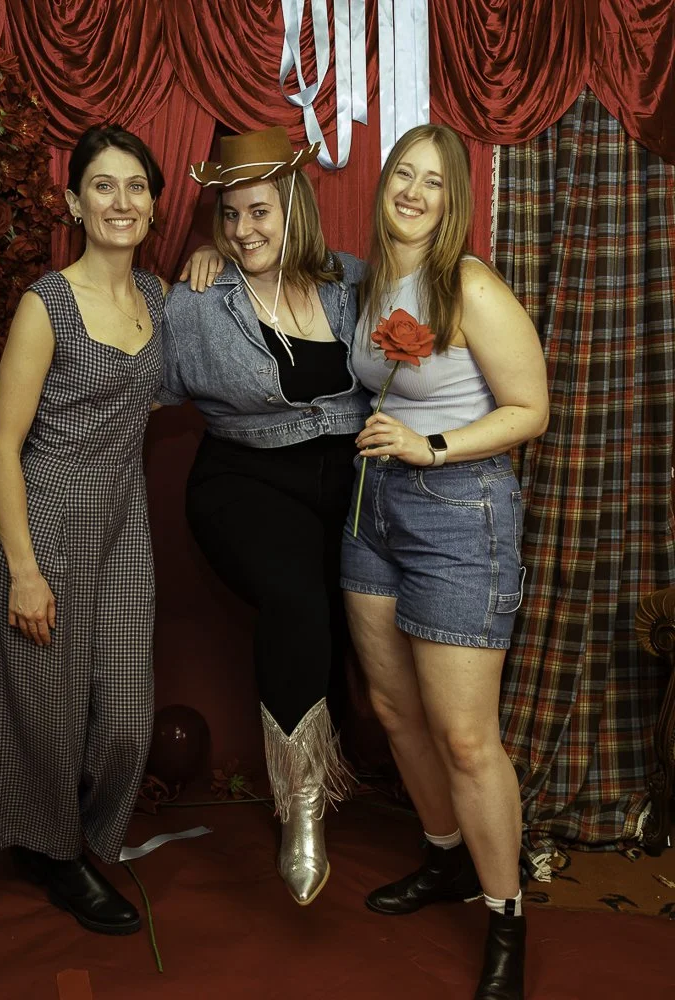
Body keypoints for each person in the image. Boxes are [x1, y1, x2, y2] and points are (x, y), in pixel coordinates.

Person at [341, 124, 548, 999]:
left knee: (466, 736)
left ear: (455, 198)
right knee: (394, 710)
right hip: (372, 507)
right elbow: (271, 254)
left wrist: (431, 444)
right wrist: (204, 249)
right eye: (402, 175)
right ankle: (445, 860)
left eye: (434, 181)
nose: (415, 192)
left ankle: (507, 917)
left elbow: (530, 408)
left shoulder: (470, 286)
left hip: (460, 512)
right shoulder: (369, 279)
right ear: (384, 185)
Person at [158, 126, 371, 905]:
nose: (243, 231)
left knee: (348, 628)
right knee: (295, 600)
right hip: (242, 480)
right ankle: (301, 806)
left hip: (343, 484)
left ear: (294, 210)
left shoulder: (354, 282)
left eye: (259, 213)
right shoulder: (200, 299)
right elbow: (132, 369)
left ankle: (378, 784)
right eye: (230, 215)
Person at [0, 124, 167, 936]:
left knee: (125, 716)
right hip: (43, 524)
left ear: (153, 204)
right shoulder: (45, 304)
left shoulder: (157, 298)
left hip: (124, 527)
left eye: (135, 186)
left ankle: (78, 834)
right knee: (45, 711)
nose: (121, 201)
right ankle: (54, 856)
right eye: (103, 186)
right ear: (74, 202)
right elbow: (0, 446)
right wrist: (22, 568)